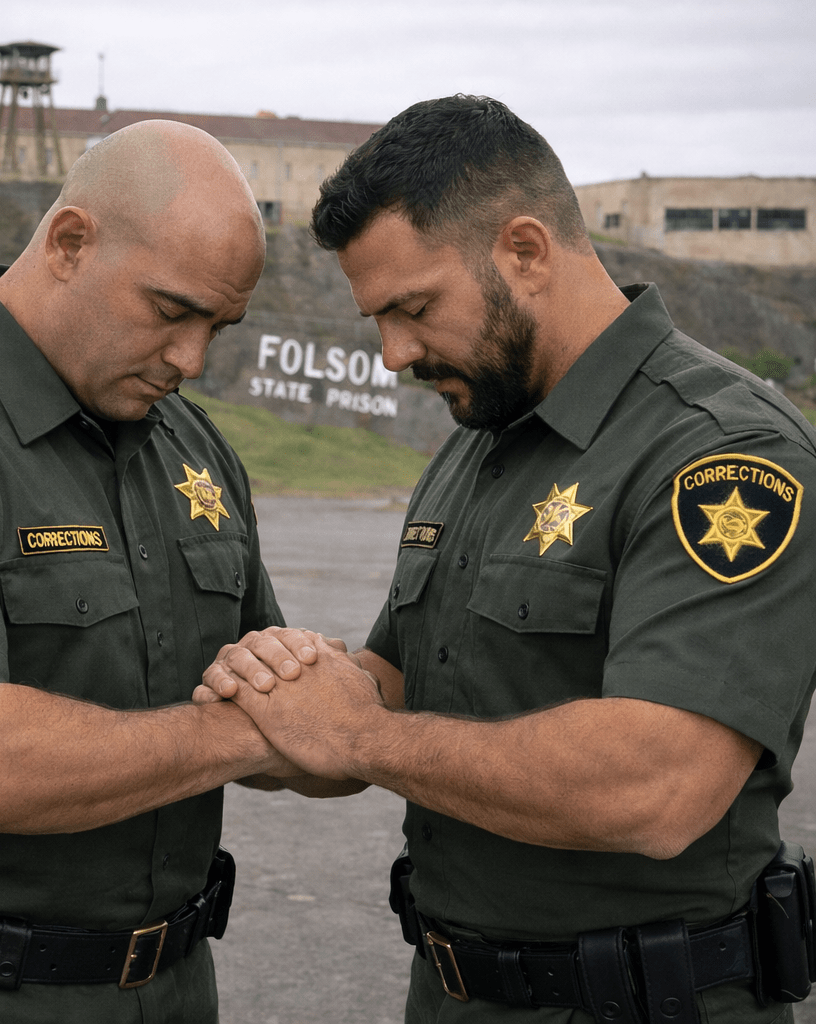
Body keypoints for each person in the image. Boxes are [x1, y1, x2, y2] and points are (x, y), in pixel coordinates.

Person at [197, 95, 816, 1024]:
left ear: (525, 251)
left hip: (644, 1002)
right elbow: (392, 686)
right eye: (377, 318)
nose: (393, 353)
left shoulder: (722, 454)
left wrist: (355, 735)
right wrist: (271, 699)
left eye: (413, 308)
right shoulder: (478, 440)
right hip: (453, 995)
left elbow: (658, 787)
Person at [0, 120, 319, 1024]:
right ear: (71, 243)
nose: (192, 360)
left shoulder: (190, 446)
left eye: (218, 327)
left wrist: (333, 719)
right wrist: (251, 735)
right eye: (171, 311)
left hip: (176, 987)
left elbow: (284, 702)